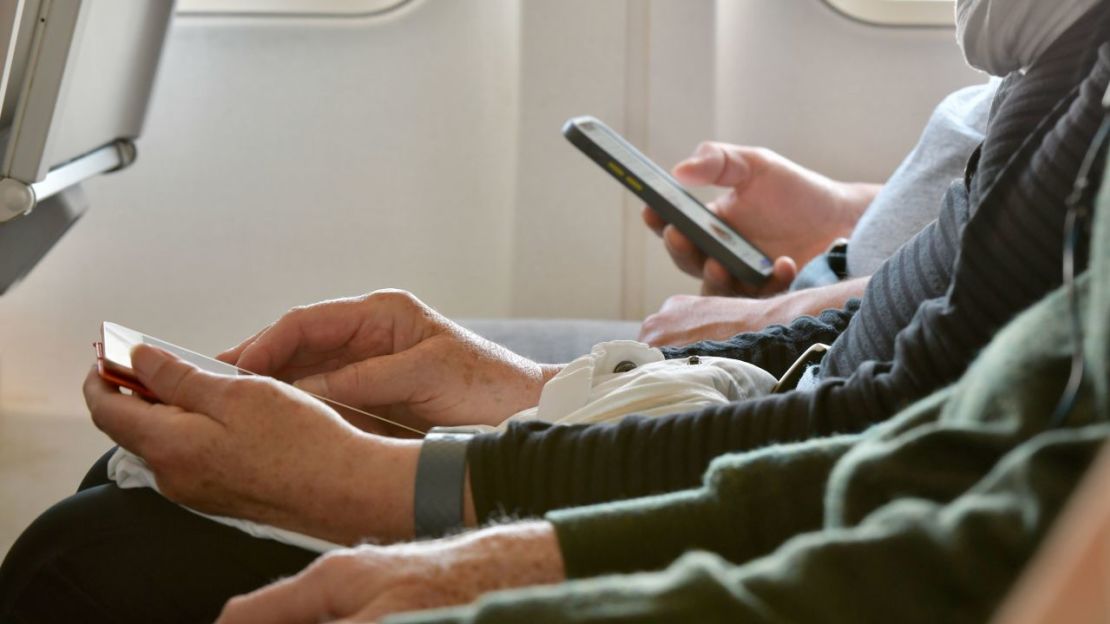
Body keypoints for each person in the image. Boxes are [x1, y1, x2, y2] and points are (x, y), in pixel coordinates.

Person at [1, 0, 1105, 621]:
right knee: (138, 485)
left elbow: (906, 447)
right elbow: (901, 369)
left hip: (809, 473)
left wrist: (409, 497)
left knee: (96, 559)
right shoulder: (1062, 78)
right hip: (796, 418)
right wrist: (531, 396)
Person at [638, 78, 996, 346]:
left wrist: (767, 322)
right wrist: (850, 218)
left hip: (859, 344)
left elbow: (993, 269)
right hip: (845, 297)